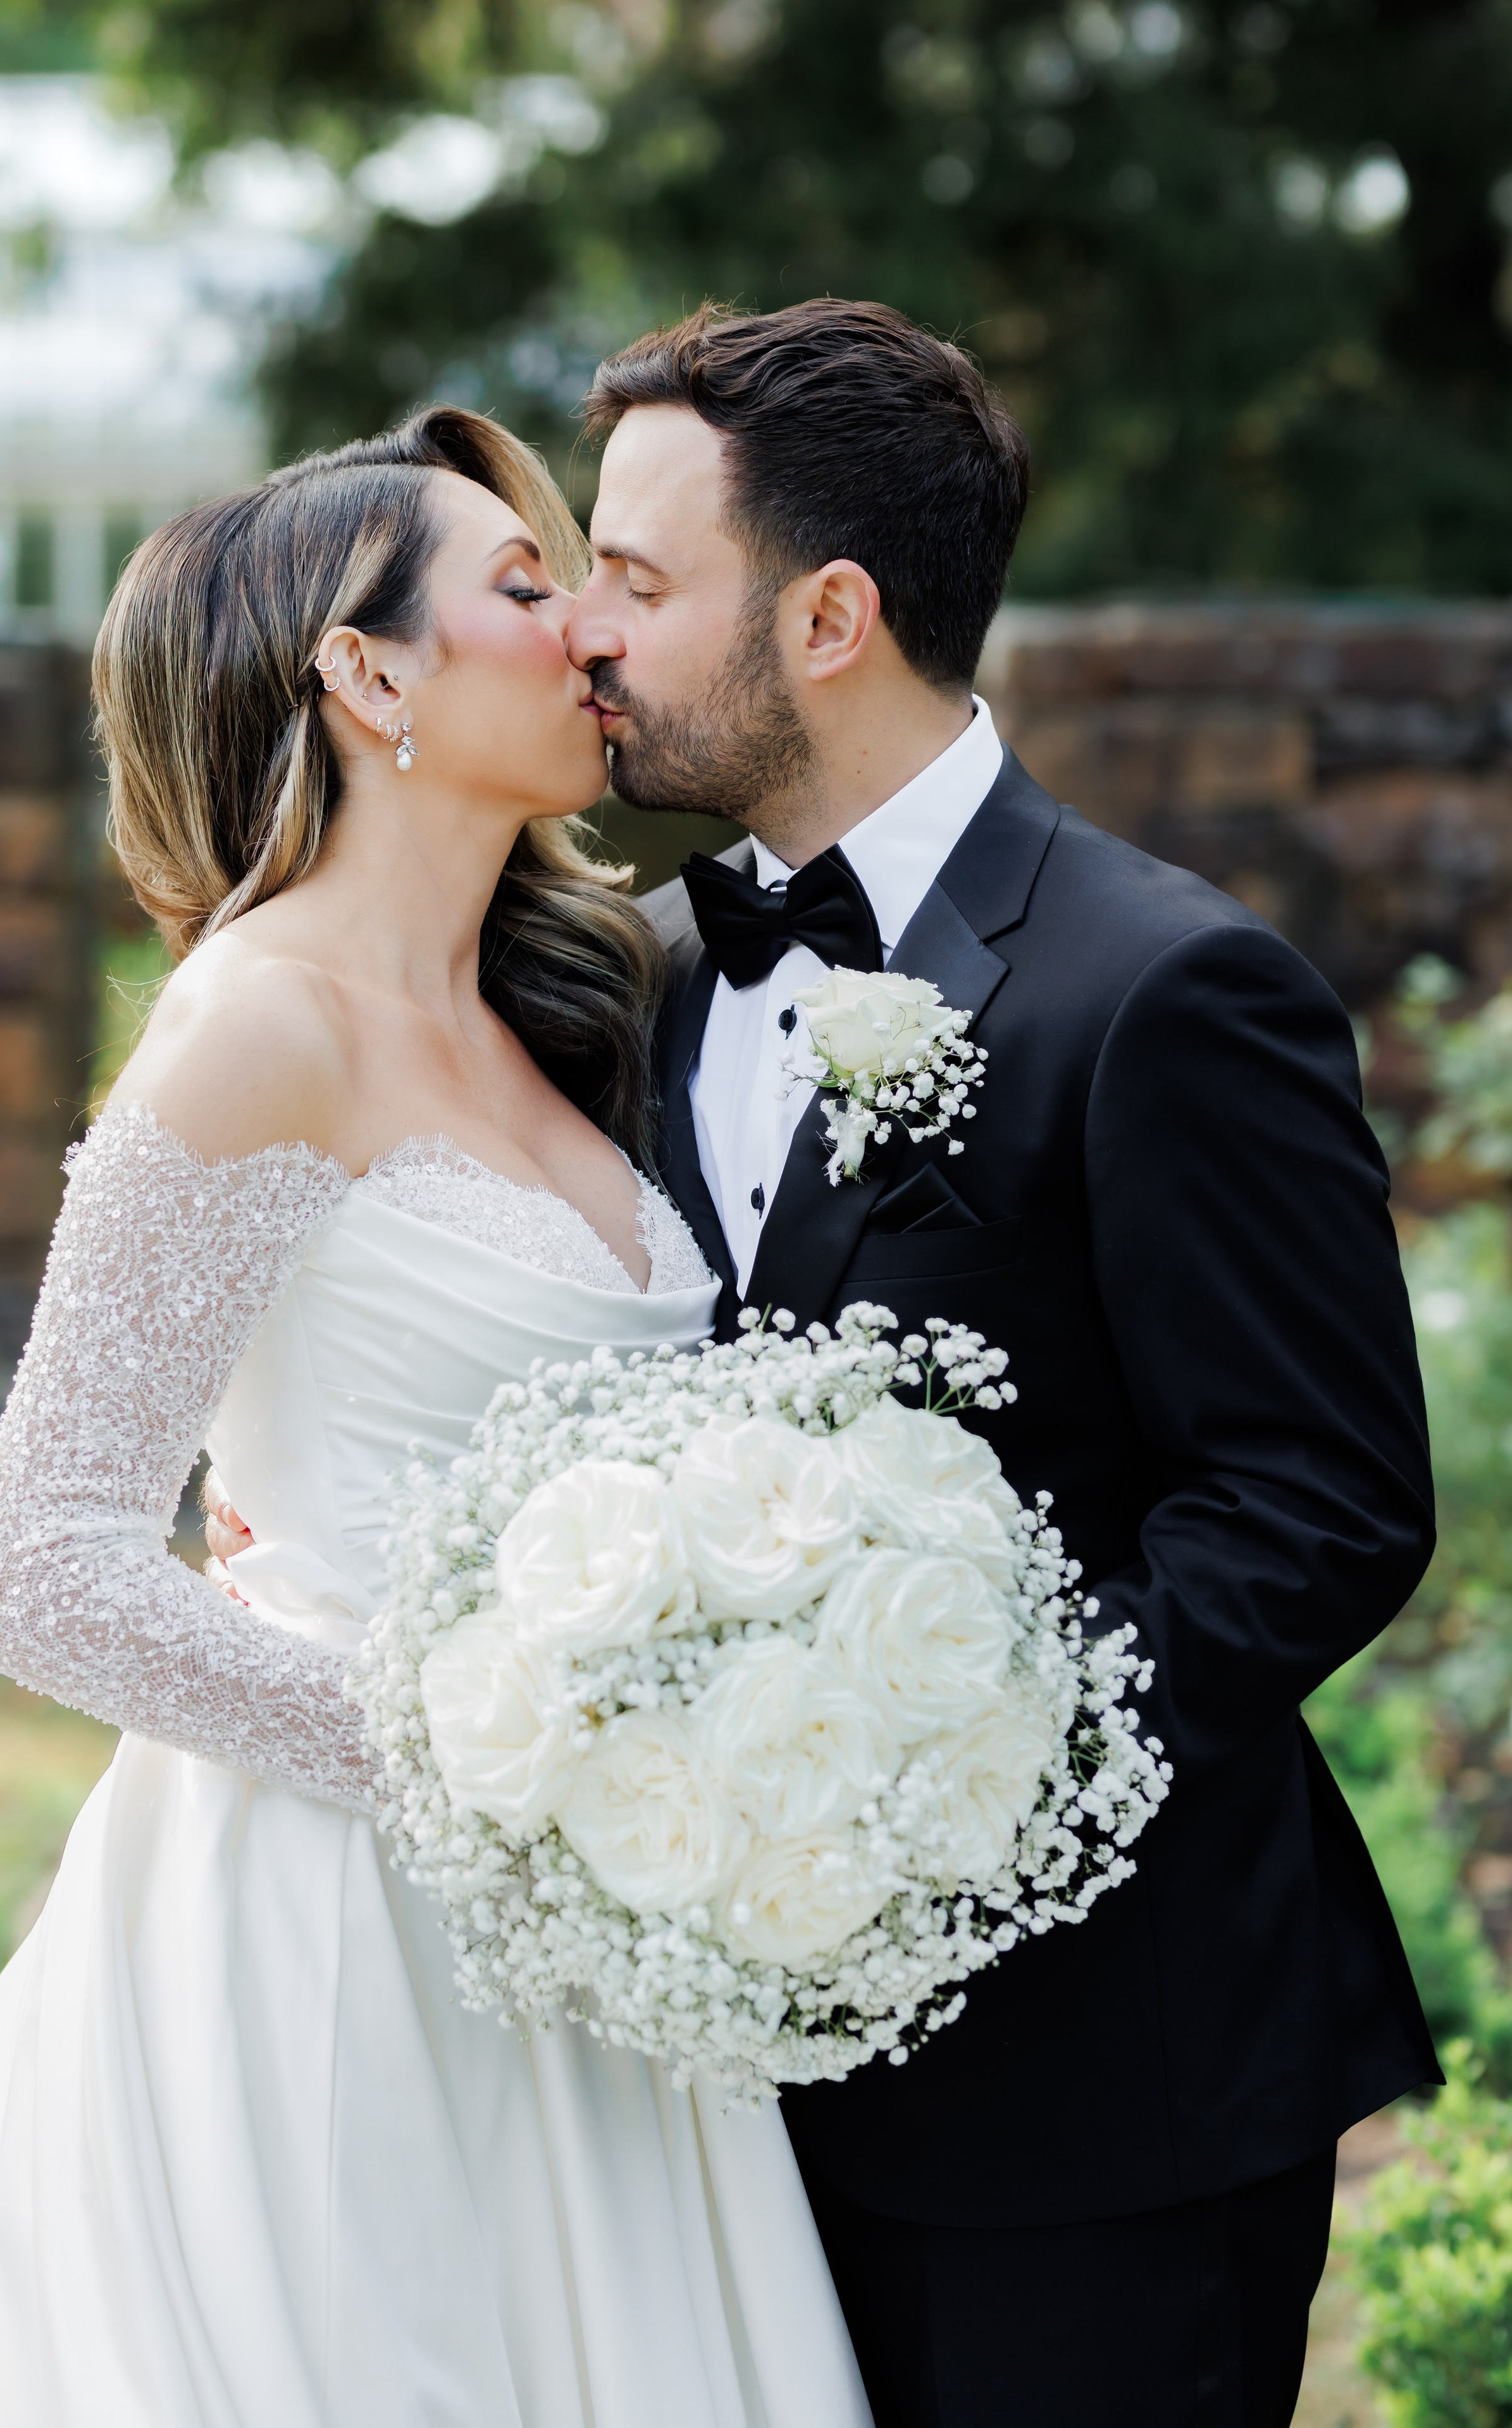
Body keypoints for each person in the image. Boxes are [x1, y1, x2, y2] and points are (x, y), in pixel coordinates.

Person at [0, 407, 874, 2428]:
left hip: (595, 1957)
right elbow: (42, 1570)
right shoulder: (266, 1023)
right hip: (331, 1939)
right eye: (526, 587)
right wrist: (487, 1773)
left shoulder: (572, 1016)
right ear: (367, 672)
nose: (591, 629)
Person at [566, 299, 1440, 2425]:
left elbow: (1320, 1509)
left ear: (832, 615)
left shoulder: (1173, 989)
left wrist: (924, 1760)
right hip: (722, 2104)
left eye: (639, 578)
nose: (584, 629)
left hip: (1099, 2089)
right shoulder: (648, 984)